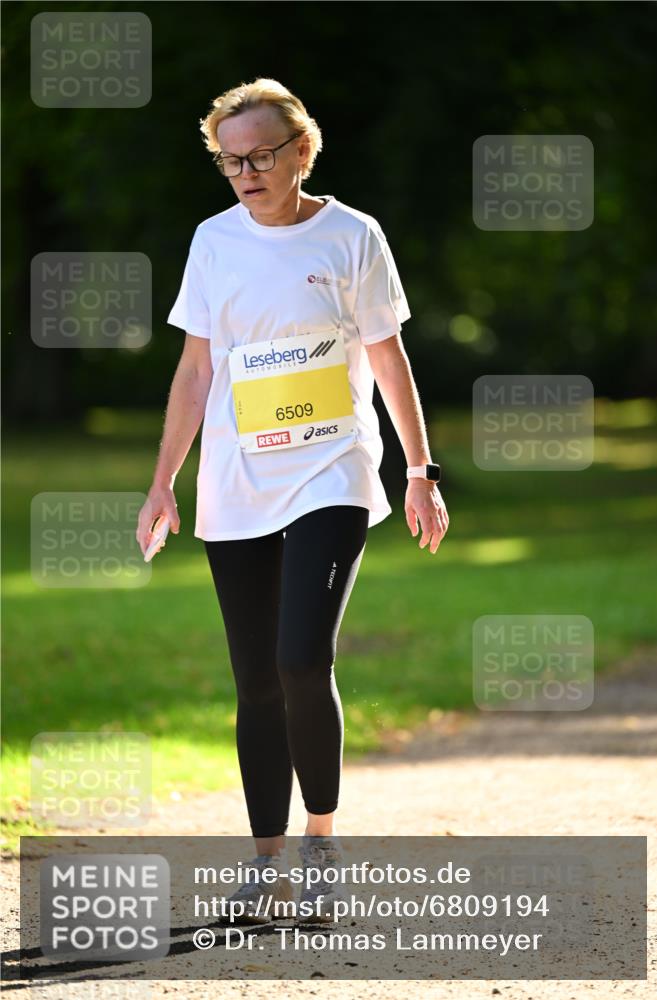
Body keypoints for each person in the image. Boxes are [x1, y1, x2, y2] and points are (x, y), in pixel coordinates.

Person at [136, 77, 449, 923]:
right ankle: (264, 860)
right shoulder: (213, 240)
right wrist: (164, 481)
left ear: (301, 151)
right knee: (256, 681)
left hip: (331, 470)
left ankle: (320, 845)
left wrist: (418, 472)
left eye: (260, 156)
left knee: (302, 659)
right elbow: (196, 368)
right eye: (229, 161)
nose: (246, 173)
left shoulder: (353, 235)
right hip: (238, 479)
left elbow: (386, 356)